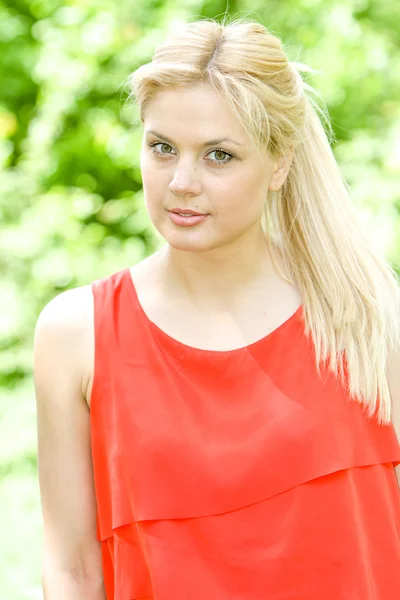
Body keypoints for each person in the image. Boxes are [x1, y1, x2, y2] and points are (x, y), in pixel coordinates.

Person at [34, 16, 400, 600]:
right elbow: (71, 567)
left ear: (279, 163)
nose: (181, 182)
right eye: (161, 148)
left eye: (219, 156)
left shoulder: (364, 316)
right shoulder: (77, 334)